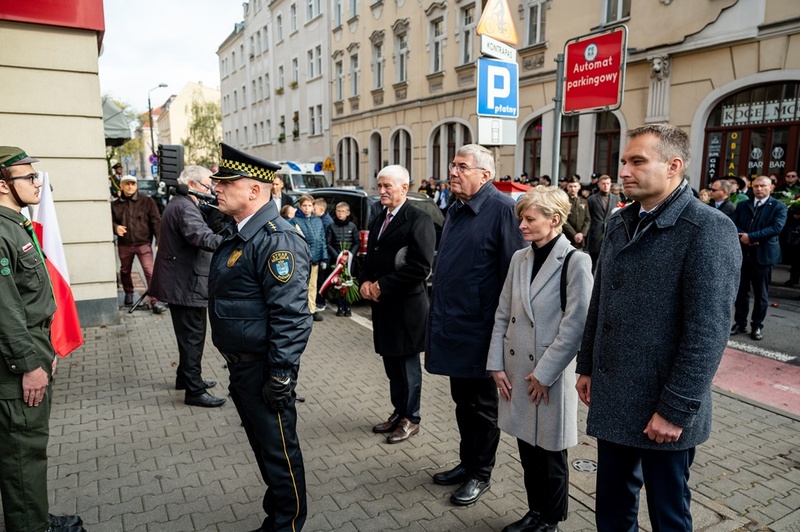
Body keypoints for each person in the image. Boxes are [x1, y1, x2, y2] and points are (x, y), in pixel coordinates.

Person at [575, 124, 741, 532]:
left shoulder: (707, 229)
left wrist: (674, 409)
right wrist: (587, 365)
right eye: (623, 162)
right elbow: (600, 300)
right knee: (613, 506)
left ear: (674, 166)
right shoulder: (620, 222)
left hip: (664, 406)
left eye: (637, 162)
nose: (623, 172)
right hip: (615, 394)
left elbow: (708, 332)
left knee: (668, 514)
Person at [208, 143, 311, 532]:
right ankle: (277, 518)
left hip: (263, 368)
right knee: (266, 450)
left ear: (254, 191)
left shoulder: (276, 239)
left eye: (226, 182)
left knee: (279, 452)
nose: (217, 188)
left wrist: (281, 373)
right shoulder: (244, 233)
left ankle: (287, 525)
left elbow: (292, 315)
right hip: (243, 365)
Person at [488, 186, 592, 532]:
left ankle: (550, 520)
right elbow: (503, 313)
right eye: (522, 218)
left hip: (549, 373)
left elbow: (576, 325)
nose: (522, 226)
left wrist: (544, 374)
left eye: (529, 219)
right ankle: (535, 512)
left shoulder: (576, 261)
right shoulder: (521, 258)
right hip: (518, 371)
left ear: (555, 220)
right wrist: (496, 364)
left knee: (551, 453)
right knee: (527, 449)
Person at [426, 144, 525, 506]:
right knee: (462, 402)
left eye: (462, 166)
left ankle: (480, 473)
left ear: (485, 174)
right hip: (455, 327)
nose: (453, 172)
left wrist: (502, 339)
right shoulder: (457, 207)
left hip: (483, 332)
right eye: (452, 165)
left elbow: (512, 278)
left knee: (482, 408)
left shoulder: (502, 210)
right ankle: (467, 464)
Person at [0, 146, 86, 532]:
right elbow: (5, 311)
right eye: (29, 177)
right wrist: (29, 364)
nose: (38, 182)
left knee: (24, 450)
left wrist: (45, 348)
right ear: (3, 185)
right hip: (15, 365)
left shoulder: (16, 224)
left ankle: (32, 516)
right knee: (24, 452)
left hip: (33, 347)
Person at [361, 165, 435, 444]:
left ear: (404, 188)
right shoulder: (379, 218)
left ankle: (411, 418)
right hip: (383, 306)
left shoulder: (419, 219)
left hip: (407, 308)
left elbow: (420, 266)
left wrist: (382, 285)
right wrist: (366, 280)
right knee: (391, 365)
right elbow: (368, 255)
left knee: (407, 366)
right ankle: (398, 411)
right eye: (379, 186)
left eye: (387, 186)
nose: (381, 191)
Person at [149, 165, 225, 408]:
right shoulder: (184, 207)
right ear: (192, 184)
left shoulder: (181, 203)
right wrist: (232, 242)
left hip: (182, 283)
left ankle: (186, 378)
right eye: (207, 185)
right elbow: (202, 237)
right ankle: (194, 391)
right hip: (185, 285)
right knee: (193, 338)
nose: (211, 190)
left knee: (188, 337)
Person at [731, 175, 788, 341]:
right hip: (743, 254)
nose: (759, 189)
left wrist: (752, 237)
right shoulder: (743, 205)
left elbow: (776, 228)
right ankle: (740, 323)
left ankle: (757, 325)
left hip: (764, 256)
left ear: (771, 188)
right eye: (756, 186)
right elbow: (732, 223)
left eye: (763, 186)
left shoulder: (779, 206)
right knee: (742, 292)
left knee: (761, 294)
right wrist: (743, 236)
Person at [110, 175, 165, 312]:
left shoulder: (147, 201)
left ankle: (155, 299)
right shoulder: (115, 205)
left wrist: (159, 240)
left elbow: (156, 221)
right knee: (125, 270)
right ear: (121, 186)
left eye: (133, 184)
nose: (130, 186)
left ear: (136, 186)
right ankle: (129, 292)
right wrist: (115, 228)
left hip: (143, 243)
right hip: (125, 244)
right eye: (127, 184)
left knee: (150, 271)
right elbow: (109, 221)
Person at [294, 194, 327, 322]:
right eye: (304, 206)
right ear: (300, 206)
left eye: (309, 206)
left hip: (316, 259)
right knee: (301, 286)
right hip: (301, 261)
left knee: (313, 286)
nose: (307, 208)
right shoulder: (296, 221)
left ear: (313, 207)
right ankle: (300, 310)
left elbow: (322, 240)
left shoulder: (318, 221)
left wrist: (324, 258)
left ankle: (311, 310)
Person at [326, 202, 360, 316]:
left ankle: (348, 306)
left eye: (343, 211)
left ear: (348, 213)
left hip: (350, 261)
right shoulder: (331, 226)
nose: (340, 214)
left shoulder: (352, 226)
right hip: (337, 261)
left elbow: (357, 242)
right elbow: (328, 243)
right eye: (338, 211)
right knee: (339, 284)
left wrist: (349, 255)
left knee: (348, 283)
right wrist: (338, 256)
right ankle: (340, 306)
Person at [586, 174, 620, 270]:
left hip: (610, 233)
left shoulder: (616, 199)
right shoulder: (591, 199)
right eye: (603, 184)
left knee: (608, 261)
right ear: (599, 184)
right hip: (595, 234)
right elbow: (589, 217)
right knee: (593, 262)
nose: (606, 186)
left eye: (608, 183)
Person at [313, 198, 334, 311]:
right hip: (322, 254)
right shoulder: (322, 219)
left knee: (321, 280)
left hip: (324, 256)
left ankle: (320, 302)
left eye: (314, 208)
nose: (312, 210)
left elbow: (324, 241)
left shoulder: (326, 222)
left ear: (321, 209)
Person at [562, 176, 590, 250]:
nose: (573, 189)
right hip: (567, 236)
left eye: (575, 186)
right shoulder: (564, 201)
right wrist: (574, 234)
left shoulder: (583, 201)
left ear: (579, 187)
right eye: (570, 186)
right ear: (567, 187)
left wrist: (582, 233)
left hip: (580, 238)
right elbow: (563, 219)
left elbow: (587, 219)